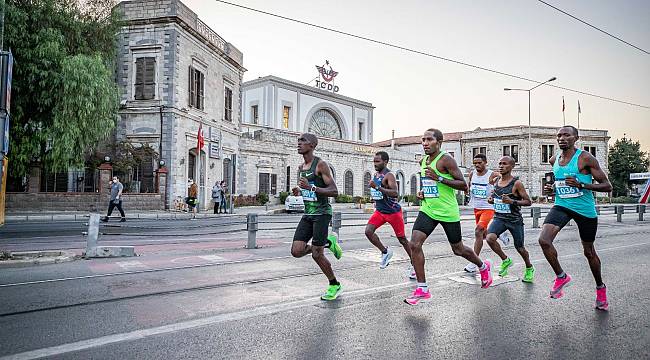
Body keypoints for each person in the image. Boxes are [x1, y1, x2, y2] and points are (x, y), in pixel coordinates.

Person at [405, 129, 493, 306]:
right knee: (414, 244)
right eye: (423, 140)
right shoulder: (423, 161)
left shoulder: (446, 159)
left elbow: (462, 185)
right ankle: (422, 288)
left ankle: (483, 266)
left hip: (447, 212)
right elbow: (429, 184)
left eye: (429, 139)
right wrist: (424, 192)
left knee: (458, 249)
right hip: (429, 209)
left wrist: (439, 178)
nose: (425, 143)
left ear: (439, 142)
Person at [539, 125, 612, 310]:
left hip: (584, 210)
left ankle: (600, 288)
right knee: (544, 240)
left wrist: (582, 185)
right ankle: (561, 277)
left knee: (589, 252)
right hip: (562, 205)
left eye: (566, 135)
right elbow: (559, 183)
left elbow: (607, 186)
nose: (562, 138)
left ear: (576, 138)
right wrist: (552, 189)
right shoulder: (554, 159)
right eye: (559, 135)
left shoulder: (585, 158)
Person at [291, 133, 343, 301]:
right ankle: (329, 242)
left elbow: (334, 191)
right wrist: (300, 191)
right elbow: (307, 187)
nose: (299, 144)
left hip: (322, 214)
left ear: (312, 145)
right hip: (308, 214)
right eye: (298, 141)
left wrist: (312, 189)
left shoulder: (320, 165)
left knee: (316, 254)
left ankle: (334, 284)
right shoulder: (300, 168)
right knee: (296, 251)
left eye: (303, 141)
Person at [485, 156, 535, 282]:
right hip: (499, 218)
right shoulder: (496, 181)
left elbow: (528, 202)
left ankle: (529, 267)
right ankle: (505, 260)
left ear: (512, 166)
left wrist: (512, 201)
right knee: (490, 238)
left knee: (520, 247)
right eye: (500, 163)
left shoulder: (516, 183)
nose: (501, 166)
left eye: (505, 164)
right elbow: (495, 196)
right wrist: (491, 200)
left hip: (514, 220)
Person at [365, 151, 414, 278]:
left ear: (385, 162)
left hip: (393, 212)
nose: (375, 164)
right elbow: (379, 193)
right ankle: (385, 252)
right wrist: (374, 197)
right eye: (374, 161)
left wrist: (377, 188)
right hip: (380, 212)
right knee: (368, 231)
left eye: (378, 161)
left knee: (402, 239)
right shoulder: (376, 174)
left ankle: (415, 264)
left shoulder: (389, 175)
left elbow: (394, 193)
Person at [463, 153, 500, 273]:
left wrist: (496, 181)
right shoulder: (472, 174)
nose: (477, 165)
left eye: (479, 163)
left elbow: (505, 178)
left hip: (488, 208)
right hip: (476, 207)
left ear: (485, 162)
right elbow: (469, 186)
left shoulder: (492, 174)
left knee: (478, 231)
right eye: (475, 163)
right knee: (483, 234)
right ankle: (499, 234)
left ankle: (474, 262)